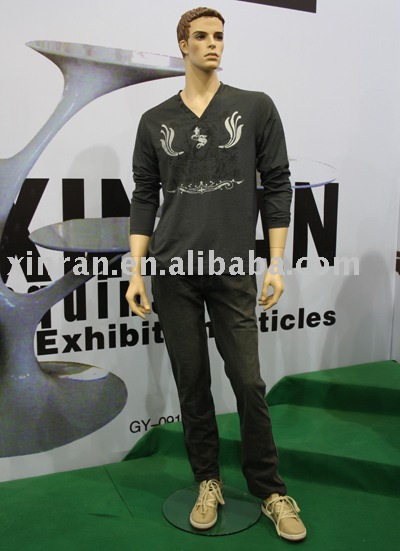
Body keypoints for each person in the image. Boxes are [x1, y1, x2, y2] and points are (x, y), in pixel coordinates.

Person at [126, 6, 306, 542]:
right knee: (192, 382)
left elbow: (278, 184)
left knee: (248, 381)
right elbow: (144, 196)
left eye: (219, 36)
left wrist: (275, 262)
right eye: (201, 36)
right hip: (173, 271)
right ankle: (208, 481)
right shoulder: (155, 121)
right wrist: (136, 272)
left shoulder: (254, 107)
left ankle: (270, 489)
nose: (213, 44)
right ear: (183, 44)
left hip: (230, 269)